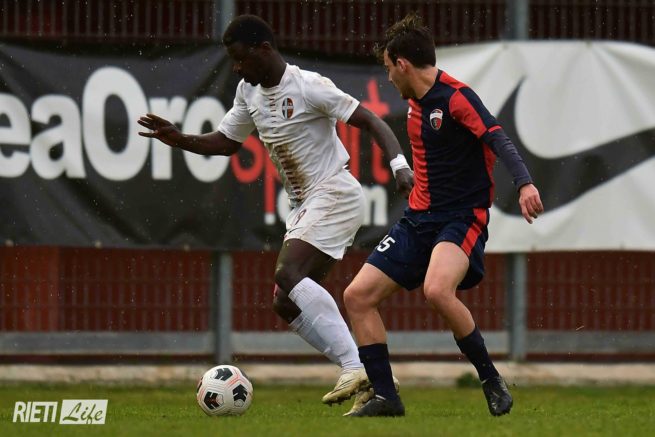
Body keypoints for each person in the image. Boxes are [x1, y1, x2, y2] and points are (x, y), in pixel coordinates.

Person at [137, 15, 413, 414]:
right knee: (285, 302)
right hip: (304, 204)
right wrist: (179, 138)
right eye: (232, 60)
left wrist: (399, 164)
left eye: (241, 58)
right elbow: (226, 142)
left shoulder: (308, 86)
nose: (237, 67)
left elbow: (369, 120)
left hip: (334, 192)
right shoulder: (248, 91)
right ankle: (376, 379)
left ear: (264, 49)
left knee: (288, 273)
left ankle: (354, 366)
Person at [343, 13, 544, 417]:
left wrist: (524, 183)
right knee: (357, 296)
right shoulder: (415, 106)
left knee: (437, 290)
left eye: (389, 69)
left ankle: (490, 379)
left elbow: (498, 138)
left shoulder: (457, 98)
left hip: (461, 218)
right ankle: (386, 397)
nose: (388, 78)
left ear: (402, 64)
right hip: (418, 220)